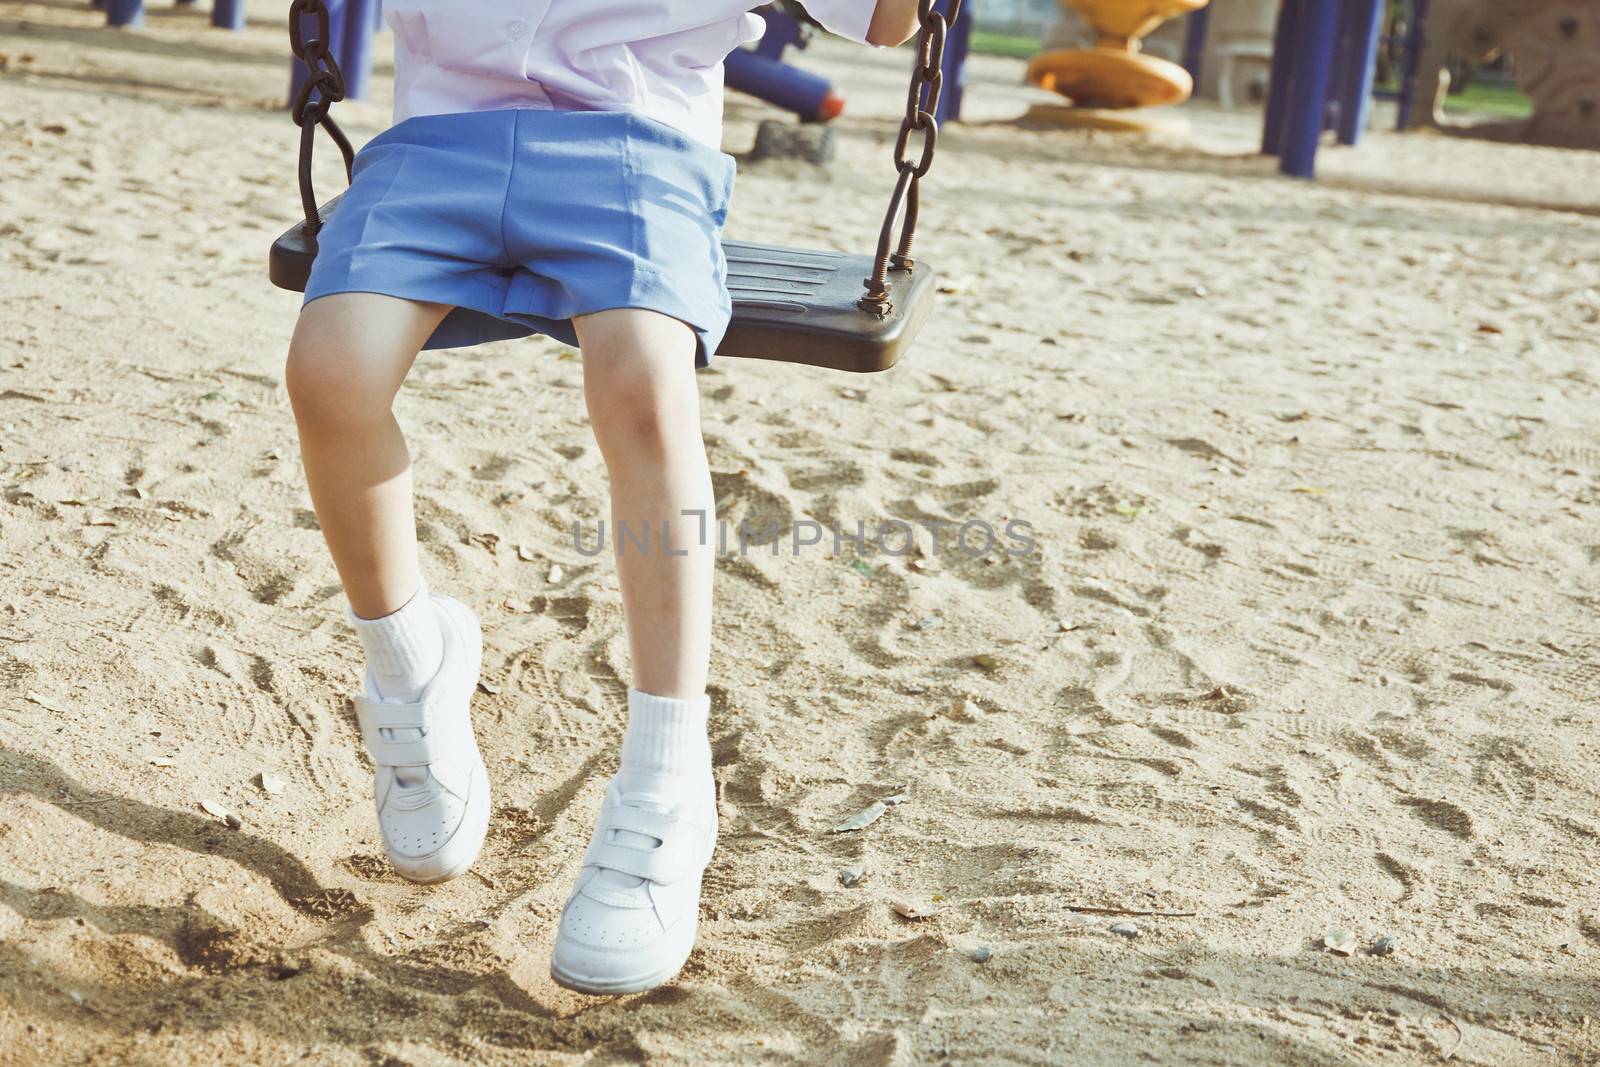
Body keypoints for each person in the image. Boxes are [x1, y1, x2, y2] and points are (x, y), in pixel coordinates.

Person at [283, 0, 923, 995]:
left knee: (639, 381)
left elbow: (884, 23)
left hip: (636, 145)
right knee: (330, 372)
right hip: (436, 147)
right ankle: (410, 662)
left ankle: (668, 778)